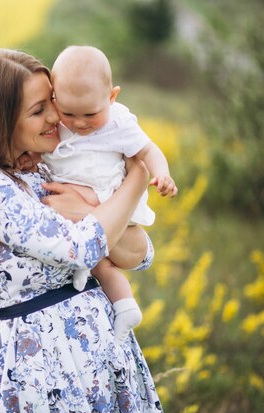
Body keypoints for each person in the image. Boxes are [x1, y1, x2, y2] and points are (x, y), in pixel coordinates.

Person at [0, 48, 164, 413]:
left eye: (52, 102)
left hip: (105, 350)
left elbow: (140, 253)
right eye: (38, 109)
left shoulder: (45, 171)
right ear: (1, 120)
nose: (56, 117)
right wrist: (138, 176)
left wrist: (90, 212)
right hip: (47, 362)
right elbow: (82, 249)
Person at [42, 45, 178, 343]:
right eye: (69, 113)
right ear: (54, 99)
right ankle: (125, 305)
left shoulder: (118, 123)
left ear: (112, 97)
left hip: (108, 195)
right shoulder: (54, 123)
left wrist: (161, 174)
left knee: (96, 252)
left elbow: (148, 151)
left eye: (91, 113)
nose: (79, 123)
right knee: (100, 263)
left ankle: (89, 270)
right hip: (77, 206)